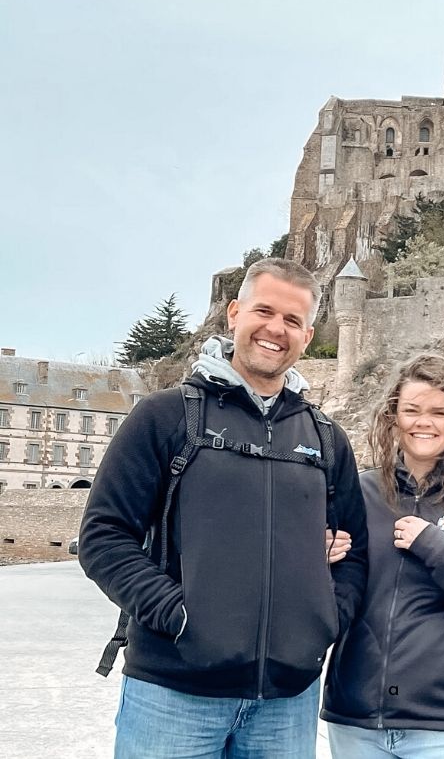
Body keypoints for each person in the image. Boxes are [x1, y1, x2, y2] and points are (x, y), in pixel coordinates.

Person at [79, 258, 368, 758]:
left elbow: (356, 552)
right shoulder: (166, 415)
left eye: (293, 320)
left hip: (286, 700)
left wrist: (324, 622)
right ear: (234, 313)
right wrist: (180, 616)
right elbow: (104, 537)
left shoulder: (326, 438)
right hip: (174, 694)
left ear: (309, 334)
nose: (276, 329)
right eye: (265, 311)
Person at [321, 353, 444, 759]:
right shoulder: (359, 492)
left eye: (439, 412)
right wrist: (319, 559)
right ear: (393, 417)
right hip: (355, 717)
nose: (424, 422)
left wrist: (434, 544)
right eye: (411, 410)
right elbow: (325, 598)